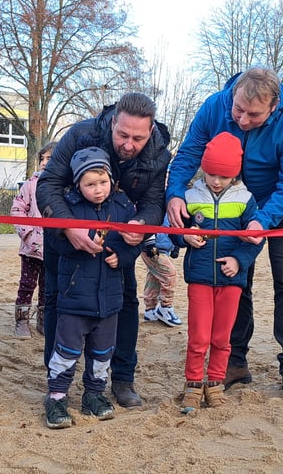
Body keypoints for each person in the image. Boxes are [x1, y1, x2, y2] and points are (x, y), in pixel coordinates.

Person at [166, 66, 283, 401]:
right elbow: (188, 155)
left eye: (254, 115)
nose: (243, 120)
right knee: (234, 275)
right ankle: (235, 361)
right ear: (232, 96)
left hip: (281, 204)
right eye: (238, 110)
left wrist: (262, 220)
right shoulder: (214, 105)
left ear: (274, 107)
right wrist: (174, 194)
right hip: (229, 203)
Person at [36, 92, 171, 408]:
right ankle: (56, 383)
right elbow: (48, 184)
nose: (128, 144)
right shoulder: (81, 134)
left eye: (137, 138)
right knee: (56, 298)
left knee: (125, 300)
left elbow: (154, 203)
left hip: (118, 240)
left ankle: (122, 379)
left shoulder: (158, 154)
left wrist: (141, 224)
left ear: (150, 131)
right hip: (65, 231)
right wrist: (68, 226)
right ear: (112, 123)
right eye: (123, 135)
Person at [43, 147, 141, 429]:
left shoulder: (123, 206)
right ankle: (57, 397)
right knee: (66, 351)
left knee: (102, 352)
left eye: (103, 182)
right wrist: (78, 241)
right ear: (77, 184)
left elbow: (135, 243)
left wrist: (122, 256)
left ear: (111, 179)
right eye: (90, 184)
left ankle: (94, 395)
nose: (98, 190)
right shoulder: (68, 206)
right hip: (75, 297)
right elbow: (54, 241)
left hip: (110, 299)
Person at [171, 132, 264, 413]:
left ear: (234, 174)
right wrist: (184, 237)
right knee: (198, 336)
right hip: (199, 277)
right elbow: (173, 230)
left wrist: (239, 260)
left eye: (224, 176)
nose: (216, 181)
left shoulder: (245, 199)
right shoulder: (190, 196)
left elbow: (257, 239)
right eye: (211, 173)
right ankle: (193, 384)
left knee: (222, 337)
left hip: (231, 279)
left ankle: (215, 383)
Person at [10, 141, 57, 339]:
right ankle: (21, 321)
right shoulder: (30, 185)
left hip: (53, 248)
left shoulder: (64, 187)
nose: (44, 162)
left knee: (48, 286)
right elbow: (17, 210)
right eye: (42, 159)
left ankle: (43, 320)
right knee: (27, 285)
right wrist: (29, 235)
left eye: (49, 159)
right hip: (31, 248)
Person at [140, 220, 181, 328]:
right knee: (169, 274)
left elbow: (173, 224)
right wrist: (149, 243)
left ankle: (150, 309)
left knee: (154, 276)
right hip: (153, 247)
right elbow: (149, 219)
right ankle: (165, 307)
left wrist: (175, 245)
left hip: (163, 246)